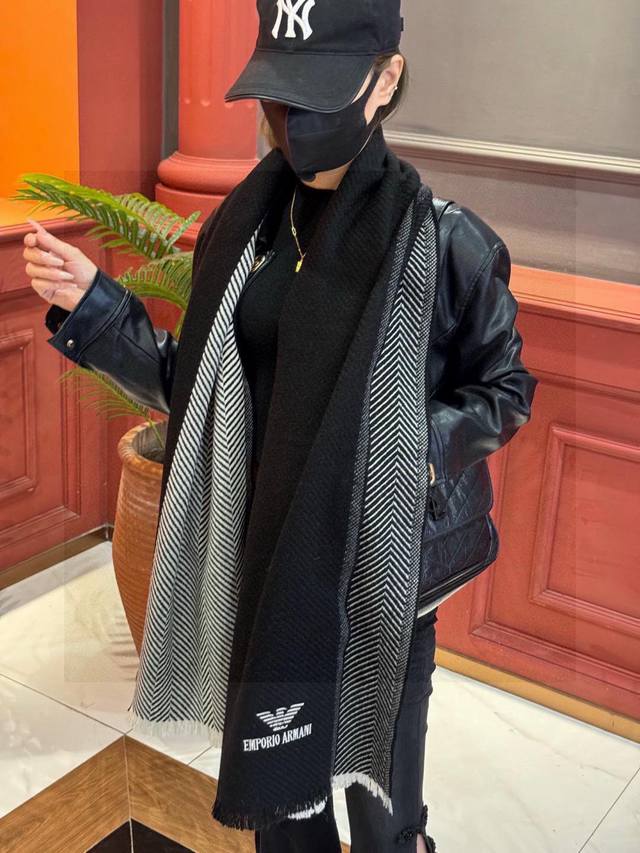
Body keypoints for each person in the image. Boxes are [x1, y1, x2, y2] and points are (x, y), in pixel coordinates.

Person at [24, 2, 538, 850]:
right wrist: (98, 308)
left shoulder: (450, 246)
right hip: (261, 563)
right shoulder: (245, 232)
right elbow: (193, 389)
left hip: (380, 579)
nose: (294, 120)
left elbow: (505, 389)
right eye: (279, 96)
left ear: (385, 81)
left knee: (382, 815)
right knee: (285, 813)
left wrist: (408, 450)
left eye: (318, 94)